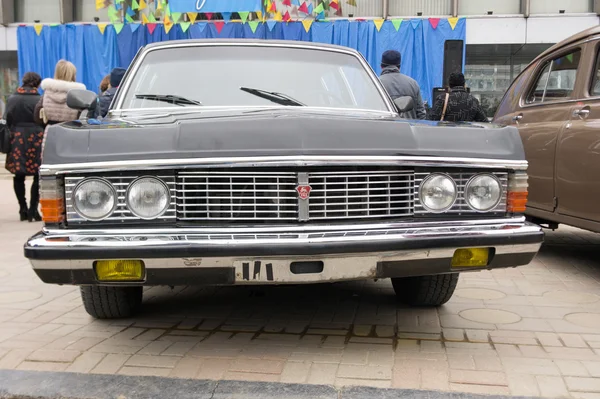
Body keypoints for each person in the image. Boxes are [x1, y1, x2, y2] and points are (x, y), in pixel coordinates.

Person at [4, 72, 44, 221]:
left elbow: (6, 119)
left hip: (17, 138)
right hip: (36, 138)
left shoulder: (12, 99)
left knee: (18, 175)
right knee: (37, 175)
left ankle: (23, 208)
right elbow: (42, 118)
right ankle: (34, 209)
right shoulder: (40, 99)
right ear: (37, 84)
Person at [34, 60, 86, 128]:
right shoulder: (78, 96)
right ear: (73, 75)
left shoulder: (46, 94)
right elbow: (83, 119)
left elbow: (37, 117)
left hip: (51, 133)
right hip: (72, 133)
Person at [379, 50, 426, 120]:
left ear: (381, 66)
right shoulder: (413, 83)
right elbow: (421, 114)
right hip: (408, 129)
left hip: (383, 129)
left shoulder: (376, 84)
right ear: (399, 66)